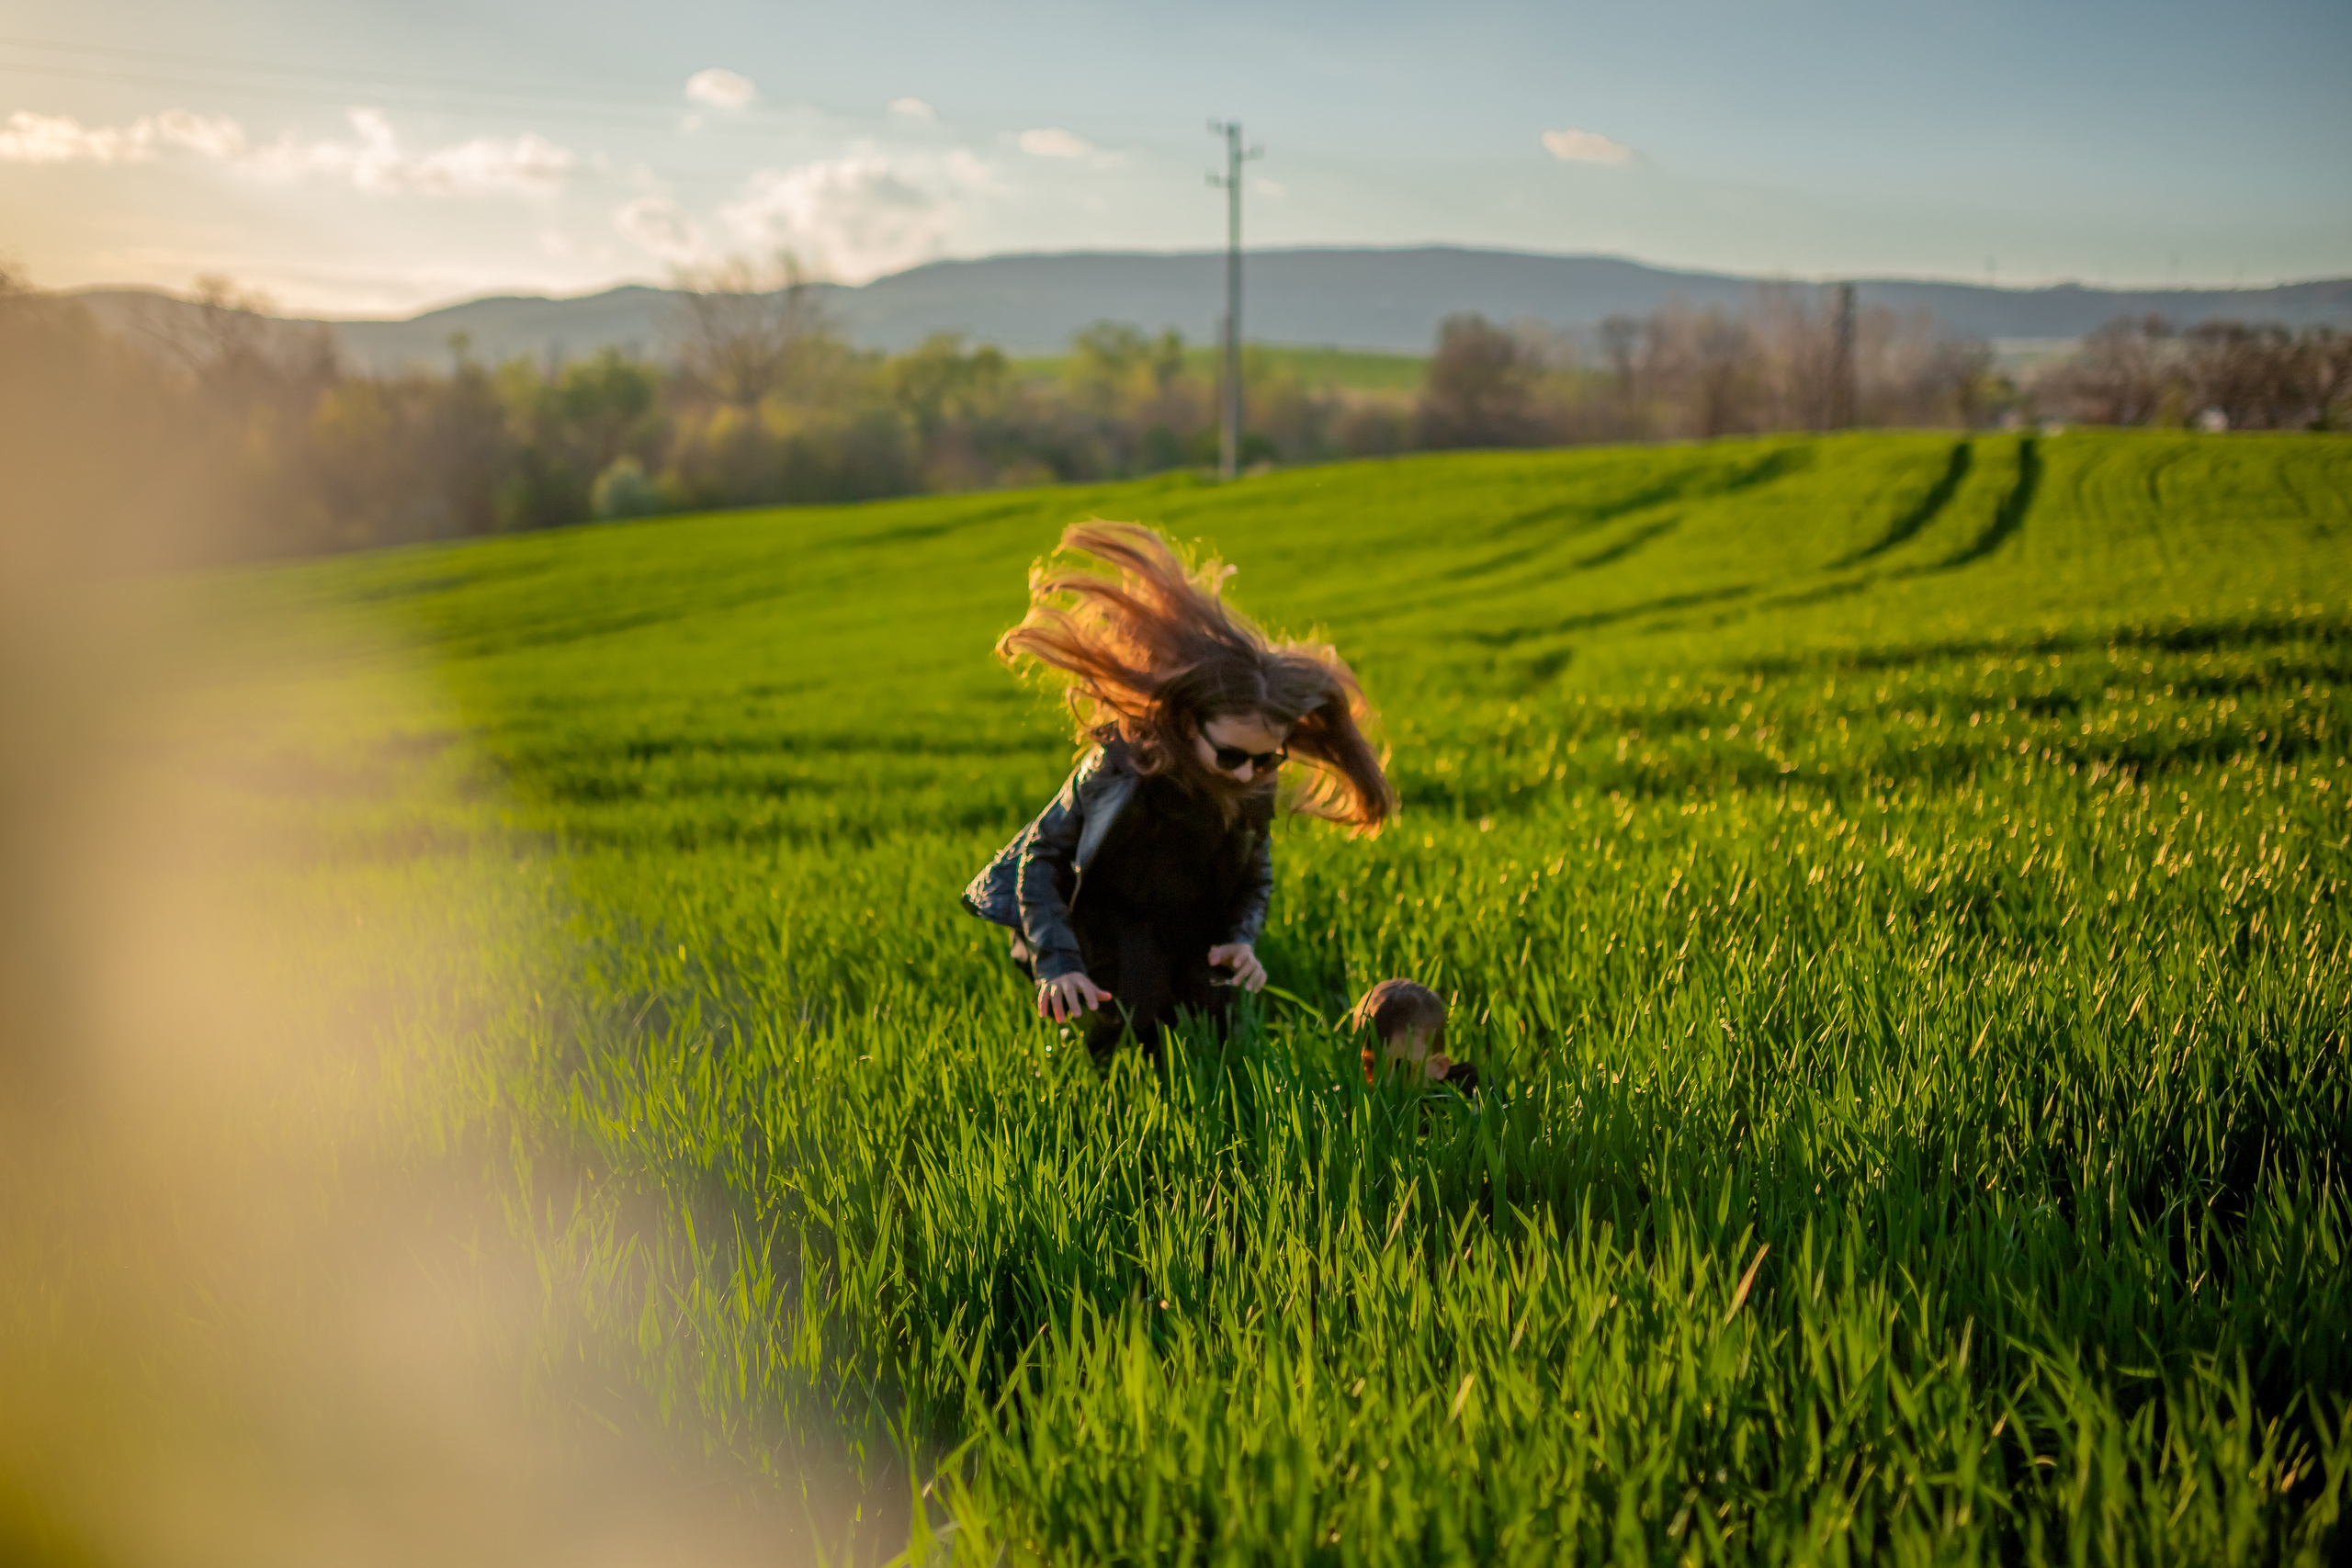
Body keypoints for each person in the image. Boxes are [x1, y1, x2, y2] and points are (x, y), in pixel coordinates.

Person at [964, 522, 1396, 1062]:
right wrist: (1058, 963)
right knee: (1131, 1022)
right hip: (1099, 918)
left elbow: (1254, 873)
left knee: (1214, 1019)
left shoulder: (1254, 784)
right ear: (1190, 726)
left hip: (1183, 920)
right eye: (1231, 756)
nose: (1247, 773)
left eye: (1267, 759)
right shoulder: (1120, 768)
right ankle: (1090, 1090)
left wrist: (1242, 940)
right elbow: (1040, 856)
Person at [1349, 978, 1478, 1091]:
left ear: (1440, 1067)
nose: (1384, 1084)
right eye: (1369, 1066)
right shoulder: (1344, 1104)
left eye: (1403, 1070)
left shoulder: (1472, 1103)